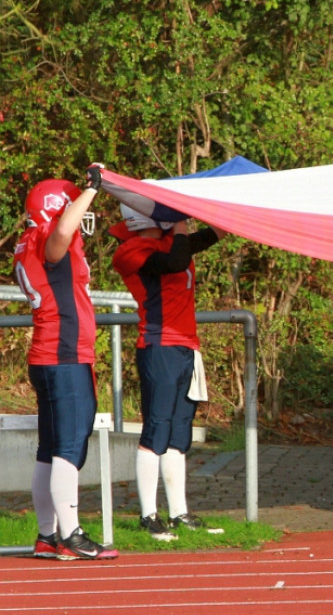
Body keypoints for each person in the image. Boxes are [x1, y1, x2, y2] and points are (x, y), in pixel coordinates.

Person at [16, 167, 119, 560]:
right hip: (64, 354)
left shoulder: (26, 241)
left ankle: (47, 535)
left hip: (49, 354)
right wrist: (91, 190)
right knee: (68, 447)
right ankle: (71, 535)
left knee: (50, 447)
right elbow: (60, 234)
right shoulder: (48, 237)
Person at [111, 205, 226, 537]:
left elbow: (205, 238)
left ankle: (179, 512)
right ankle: (148, 514)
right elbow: (175, 260)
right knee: (157, 429)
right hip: (159, 344)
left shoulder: (171, 241)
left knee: (180, 433)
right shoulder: (131, 250)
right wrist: (179, 225)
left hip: (187, 346)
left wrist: (226, 218)